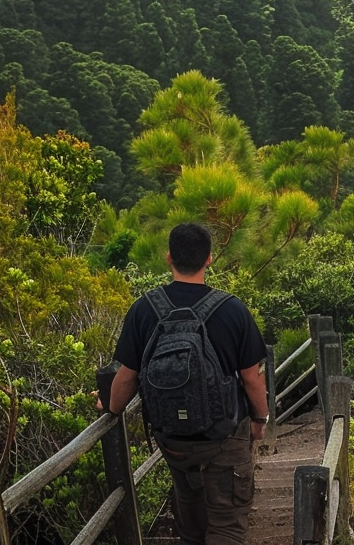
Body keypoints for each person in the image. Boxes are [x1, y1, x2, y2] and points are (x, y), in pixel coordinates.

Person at [104, 222, 270, 545]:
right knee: (226, 527)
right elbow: (252, 379)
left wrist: (110, 407)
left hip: (174, 444)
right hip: (223, 439)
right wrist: (260, 420)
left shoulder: (143, 310)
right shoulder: (232, 310)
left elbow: (126, 377)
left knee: (191, 527)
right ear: (209, 259)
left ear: (169, 258)